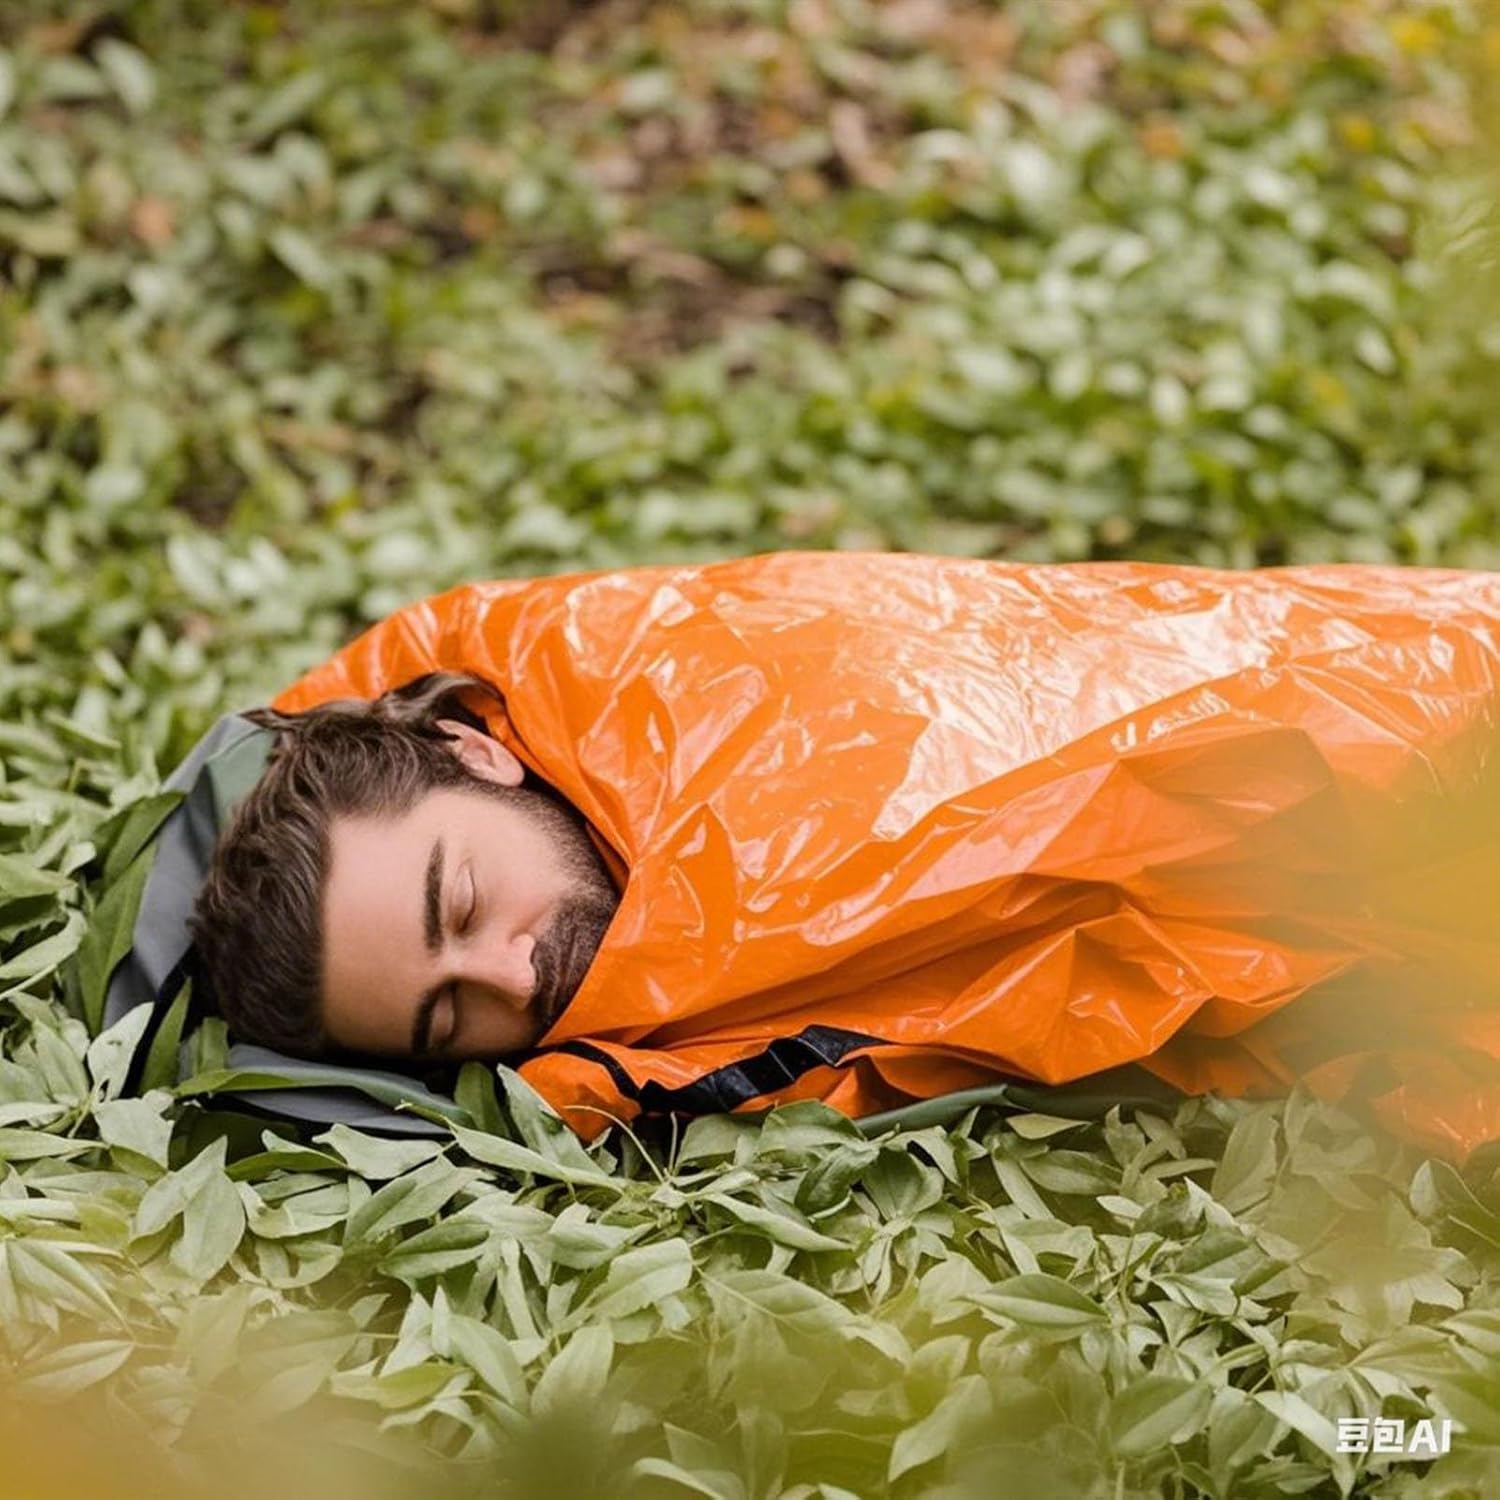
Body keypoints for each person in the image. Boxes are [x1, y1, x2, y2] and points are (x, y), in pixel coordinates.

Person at [189, 551, 1500, 1158]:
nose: (514, 973)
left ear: (477, 752)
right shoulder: (627, 1067)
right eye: (448, 1017)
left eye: (465, 902)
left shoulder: (697, 707)